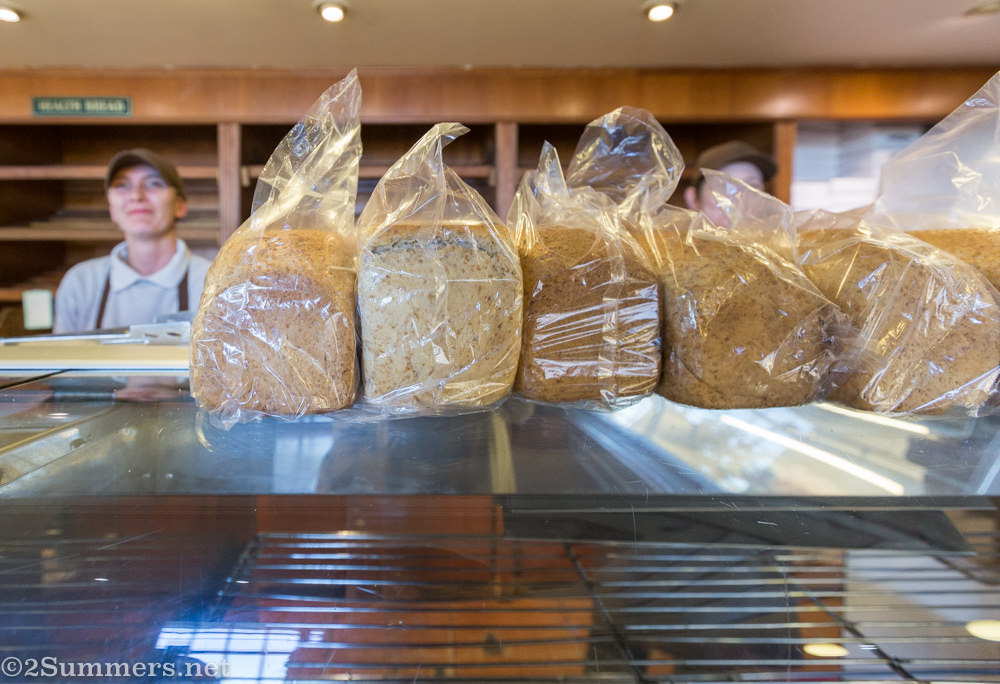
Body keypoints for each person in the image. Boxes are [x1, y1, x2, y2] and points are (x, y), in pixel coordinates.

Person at [53, 149, 212, 334]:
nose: (136, 196)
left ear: (180, 206)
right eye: (122, 185)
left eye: (153, 183)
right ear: (111, 209)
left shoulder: (211, 283)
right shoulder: (80, 283)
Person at [682, 140, 777, 226]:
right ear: (692, 198)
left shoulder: (780, 243)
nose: (739, 196)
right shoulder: (673, 243)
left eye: (752, 186)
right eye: (722, 185)